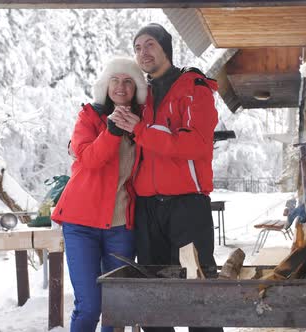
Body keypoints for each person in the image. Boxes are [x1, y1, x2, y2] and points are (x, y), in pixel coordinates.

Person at [115, 23, 222, 332]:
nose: (142, 52)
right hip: (148, 207)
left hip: (187, 205)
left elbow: (195, 145)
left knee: (198, 292)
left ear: (165, 49)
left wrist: (141, 130)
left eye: (149, 45)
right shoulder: (141, 95)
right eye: (137, 48)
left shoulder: (194, 87)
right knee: (153, 298)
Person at [51, 56, 147, 332]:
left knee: (115, 305)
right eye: (115, 80)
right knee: (90, 305)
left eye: (129, 81)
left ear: (137, 89)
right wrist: (112, 131)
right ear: (105, 85)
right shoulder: (89, 117)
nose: (121, 86)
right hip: (81, 225)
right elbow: (89, 160)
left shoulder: (141, 123)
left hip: (121, 227)